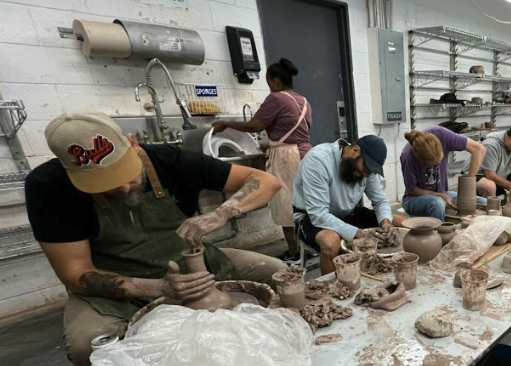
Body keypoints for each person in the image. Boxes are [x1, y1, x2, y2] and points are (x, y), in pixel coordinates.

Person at [25, 113, 286, 365]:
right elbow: (75, 273)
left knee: (280, 276)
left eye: (124, 173)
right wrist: (157, 288)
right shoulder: (48, 185)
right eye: (104, 183)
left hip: (193, 267)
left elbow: (266, 181)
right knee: (87, 346)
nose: (124, 188)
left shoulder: (169, 160)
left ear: (132, 143)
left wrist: (220, 214)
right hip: (117, 285)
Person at [212, 58, 311, 265]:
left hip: (287, 159)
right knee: (304, 202)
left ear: (275, 81)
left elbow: (254, 126)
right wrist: (271, 145)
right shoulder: (303, 101)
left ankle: (294, 252)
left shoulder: (276, 98)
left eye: (268, 83)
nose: (269, 88)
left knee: (285, 204)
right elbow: (295, 133)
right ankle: (308, 245)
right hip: (305, 154)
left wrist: (225, 124)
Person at [293, 135, 404, 274]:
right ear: (355, 151)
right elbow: (319, 215)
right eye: (364, 170)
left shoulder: (367, 168)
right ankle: (330, 289)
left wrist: (387, 224)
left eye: (369, 172)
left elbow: (380, 200)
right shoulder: (318, 160)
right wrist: (360, 234)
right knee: (330, 241)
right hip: (311, 218)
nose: (366, 174)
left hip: (346, 214)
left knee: (398, 221)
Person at [400, 127, 485, 221]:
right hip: (414, 199)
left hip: (442, 193)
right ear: (422, 160)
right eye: (435, 164)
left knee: (484, 202)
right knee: (438, 203)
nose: (439, 164)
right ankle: (438, 233)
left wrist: (469, 183)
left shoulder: (442, 135)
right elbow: (412, 189)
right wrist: (440, 196)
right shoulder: (408, 157)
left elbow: (479, 149)